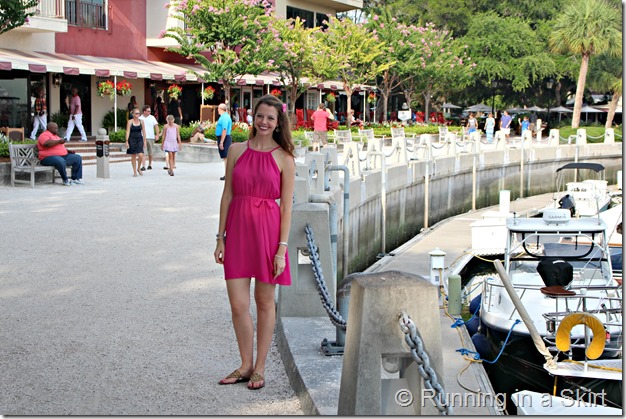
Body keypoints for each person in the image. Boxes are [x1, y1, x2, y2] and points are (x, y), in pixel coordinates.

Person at [214, 94, 295, 390]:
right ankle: (245, 363)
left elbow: (286, 206)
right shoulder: (236, 150)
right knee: (238, 304)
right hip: (237, 232)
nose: (264, 122)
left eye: (270, 118)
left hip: (268, 233)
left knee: (264, 302)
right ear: (253, 117)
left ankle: (259, 367)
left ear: (277, 123)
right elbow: (227, 195)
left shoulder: (285, 158)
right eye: (260, 116)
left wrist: (281, 250)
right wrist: (220, 237)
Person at [37, 122, 83, 186]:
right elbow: (47, 144)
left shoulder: (56, 136)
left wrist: (68, 151)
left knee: (77, 158)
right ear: (50, 128)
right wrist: (59, 141)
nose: (57, 130)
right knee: (60, 161)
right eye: (55, 128)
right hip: (47, 158)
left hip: (62, 156)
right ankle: (65, 180)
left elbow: (59, 147)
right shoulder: (44, 135)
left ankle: (75, 179)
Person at [125, 107, 147, 177]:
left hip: (139, 139)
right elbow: (128, 131)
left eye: (138, 113)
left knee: (141, 154)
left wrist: (145, 140)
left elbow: (143, 131)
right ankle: (134, 171)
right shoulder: (130, 122)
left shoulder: (141, 121)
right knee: (133, 155)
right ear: (133, 114)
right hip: (132, 139)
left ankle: (138, 168)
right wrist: (126, 141)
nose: (138, 115)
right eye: (136, 113)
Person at [139, 105, 160, 171]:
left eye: (150, 111)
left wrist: (157, 135)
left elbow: (156, 126)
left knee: (150, 152)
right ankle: (143, 166)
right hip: (142, 137)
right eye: (148, 111)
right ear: (144, 111)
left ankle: (150, 164)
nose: (149, 112)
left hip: (151, 137)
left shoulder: (152, 118)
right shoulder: (140, 118)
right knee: (143, 152)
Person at [216, 103, 232, 181]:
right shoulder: (223, 117)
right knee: (225, 157)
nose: (217, 110)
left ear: (221, 109)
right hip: (223, 138)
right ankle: (227, 174)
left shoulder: (225, 117)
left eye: (218, 108)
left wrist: (222, 141)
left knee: (226, 157)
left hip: (225, 138)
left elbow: (224, 129)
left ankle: (227, 175)